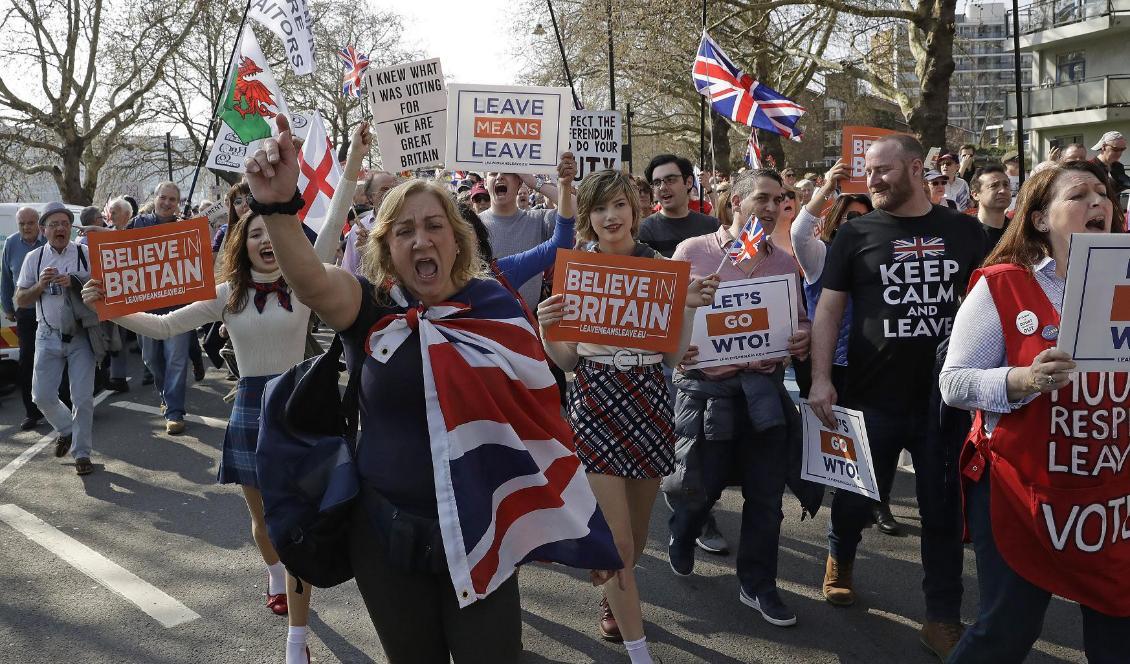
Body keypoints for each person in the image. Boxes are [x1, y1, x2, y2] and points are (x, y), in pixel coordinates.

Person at [240, 114, 621, 664]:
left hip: (483, 533)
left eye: (434, 225)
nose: (421, 238)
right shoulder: (368, 308)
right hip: (385, 538)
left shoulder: (494, 309)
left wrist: (583, 526)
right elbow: (311, 280)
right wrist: (277, 208)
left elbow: (541, 427)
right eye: (404, 230)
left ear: (457, 239)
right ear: (386, 248)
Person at [83, 203, 342, 664]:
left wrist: (355, 163)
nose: (266, 241)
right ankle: (273, 574)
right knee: (264, 525)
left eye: (273, 232)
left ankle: (296, 643)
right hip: (248, 411)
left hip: (297, 411)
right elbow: (163, 327)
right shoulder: (227, 294)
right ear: (242, 244)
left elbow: (333, 221)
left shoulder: (306, 284)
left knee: (296, 530)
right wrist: (108, 307)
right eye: (255, 233)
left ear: (287, 239)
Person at [808, 134, 987, 660]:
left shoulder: (966, 231)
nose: (873, 180)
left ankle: (941, 617)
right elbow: (828, 311)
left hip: (944, 402)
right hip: (870, 398)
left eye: (883, 170)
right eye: (869, 170)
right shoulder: (855, 233)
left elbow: (993, 299)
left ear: (917, 167)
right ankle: (840, 557)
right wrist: (821, 378)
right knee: (856, 497)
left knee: (942, 512)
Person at [941, 159, 1126, 663]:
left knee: (1120, 624)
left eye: (1104, 194)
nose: (1098, 203)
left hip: (1107, 494)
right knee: (1008, 626)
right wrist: (1022, 380)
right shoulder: (1002, 285)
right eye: (1080, 194)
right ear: (1041, 219)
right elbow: (954, 384)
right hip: (1021, 489)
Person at [538, 168, 717, 661]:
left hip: (648, 397)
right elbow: (568, 360)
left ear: (635, 211)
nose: (609, 216)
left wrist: (689, 309)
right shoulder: (575, 269)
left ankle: (614, 589)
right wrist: (546, 328)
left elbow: (674, 355)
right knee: (617, 540)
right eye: (598, 208)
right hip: (595, 396)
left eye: (618, 205)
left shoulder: (660, 266)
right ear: (588, 218)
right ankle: (640, 650)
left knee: (635, 539)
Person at [667, 168, 811, 627]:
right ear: (735, 202)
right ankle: (683, 531)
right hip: (707, 393)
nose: (771, 209)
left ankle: (758, 585)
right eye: (763, 199)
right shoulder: (694, 253)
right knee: (699, 491)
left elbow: (800, 321)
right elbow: (664, 314)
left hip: (763, 394)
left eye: (779, 200)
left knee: (766, 497)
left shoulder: (785, 263)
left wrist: (801, 338)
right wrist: (679, 339)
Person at [13, 203, 95, 475]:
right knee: (41, 395)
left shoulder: (85, 254)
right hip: (46, 335)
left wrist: (75, 281)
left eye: (65, 224)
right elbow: (20, 300)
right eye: (54, 224)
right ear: (43, 229)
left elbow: (105, 289)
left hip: (81, 335)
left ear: (71, 228)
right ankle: (67, 429)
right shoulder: (34, 259)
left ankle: (82, 454)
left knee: (82, 398)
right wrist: (39, 285)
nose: (61, 228)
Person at [130, 182, 194, 434]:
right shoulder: (139, 224)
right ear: (155, 198)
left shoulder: (185, 227)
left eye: (173, 199)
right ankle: (165, 395)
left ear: (178, 203)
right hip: (146, 307)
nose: (167, 203)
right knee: (152, 359)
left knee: (176, 360)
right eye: (163, 198)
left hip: (178, 307)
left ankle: (175, 412)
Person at [478, 168, 561, 308]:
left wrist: (535, 183)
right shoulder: (472, 225)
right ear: (485, 182)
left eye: (508, 172)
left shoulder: (538, 219)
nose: (499, 176)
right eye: (493, 173)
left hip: (529, 321)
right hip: (485, 320)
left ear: (520, 180)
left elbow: (579, 212)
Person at [2, 206, 46, 430]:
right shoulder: (11, 243)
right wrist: (8, 306)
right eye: (22, 224)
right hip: (26, 311)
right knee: (27, 359)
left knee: (55, 357)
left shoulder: (47, 240)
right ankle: (32, 412)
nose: (27, 227)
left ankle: (62, 405)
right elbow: (6, 277)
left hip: (51, 310)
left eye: (31, 223)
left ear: (38, 223)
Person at [638, 155, 719, 258]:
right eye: (657, 183)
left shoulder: (712, 227)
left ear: (689, 182)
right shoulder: (644, 231)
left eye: (670, 180)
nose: (663, 187)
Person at [342, 171, 399, 276]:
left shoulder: (411, 224)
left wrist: (373, 249)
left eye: (395, 189)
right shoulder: (358, 230)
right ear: (371, 197)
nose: (392, 194)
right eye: (385, 190)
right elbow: (349, 272)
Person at [970, 164, 1012, 250]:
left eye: (1006, 185)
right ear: (975, 195)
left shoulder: (1018, 231)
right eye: (994, 186)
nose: (1003, 190)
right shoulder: (965, 232)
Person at [1090, 130, 1130, 195]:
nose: (1119, 153)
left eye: (1122, 149)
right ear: (1103, 147)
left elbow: (1125, 181)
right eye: (1115, 149)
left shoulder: (1118, 166)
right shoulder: (1091, 166)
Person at [770, 189, 797, 256]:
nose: (787, 199)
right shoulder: (763, 240)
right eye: (781, 197)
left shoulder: (804, 232)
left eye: (791, 195)